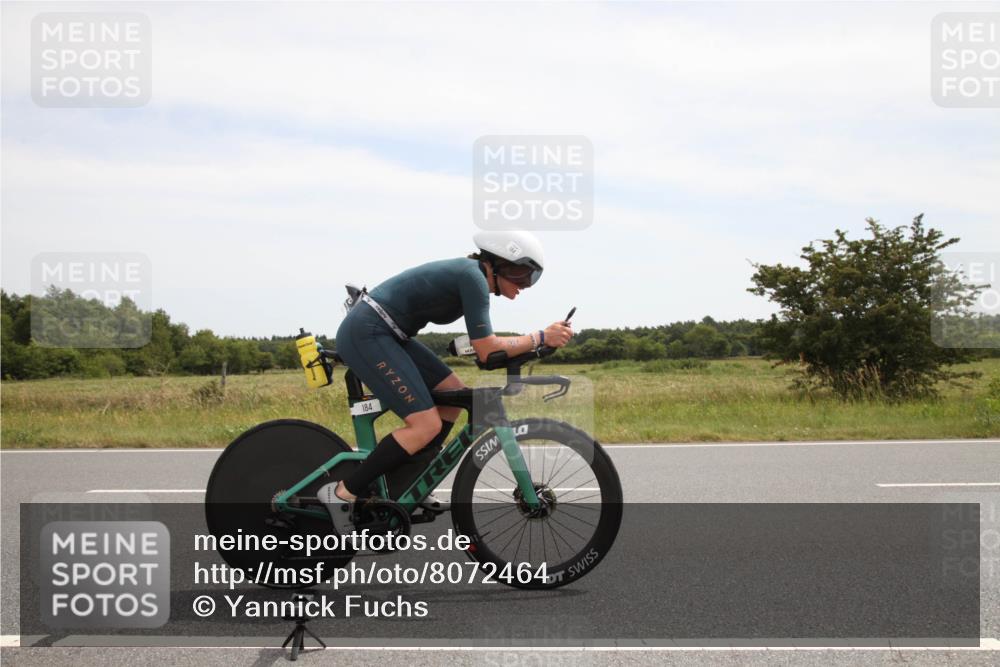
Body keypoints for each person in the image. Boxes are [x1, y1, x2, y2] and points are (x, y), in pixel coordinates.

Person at [317, 230, 573, 535]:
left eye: (530, 278)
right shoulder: (474, 278)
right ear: (499, 262)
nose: (524, 285)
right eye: (521, 274)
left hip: (389, 333)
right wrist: (540, 337)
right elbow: (487, 348)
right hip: (368, 331)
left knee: (451, 401)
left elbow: (483, 352)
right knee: (425, 425)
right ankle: (342, 493)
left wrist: (534, 346)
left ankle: (407, 484)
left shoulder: (473, 277)